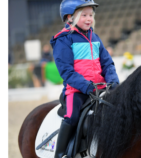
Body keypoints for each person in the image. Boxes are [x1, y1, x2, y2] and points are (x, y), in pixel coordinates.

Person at [50, 0, 119, 157]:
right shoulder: (63, 39)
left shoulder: (95, 37)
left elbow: (108, 63)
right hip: (77, 90)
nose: (89, 19)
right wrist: (87, 86)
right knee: (72, 116)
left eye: (91, 15)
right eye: (84, 15)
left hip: (101, 87)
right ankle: (60, 154)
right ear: (69, 18)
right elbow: (67, 72)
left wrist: (113, 81)